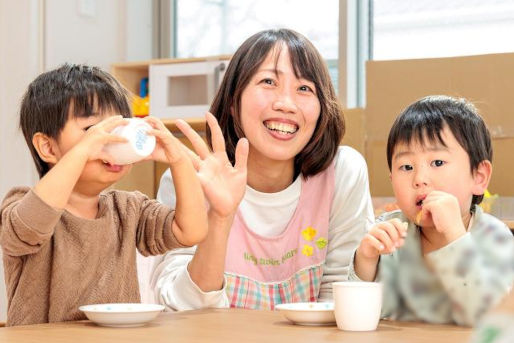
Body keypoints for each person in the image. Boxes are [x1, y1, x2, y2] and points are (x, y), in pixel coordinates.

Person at [147, 28, 374, 310]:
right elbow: (178, 310)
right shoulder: (190, 181)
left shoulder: (342, 173)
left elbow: (343, 297)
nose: (286, 104)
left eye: (304, 88)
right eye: (268, 81)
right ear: (233, 101)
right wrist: (220, 217)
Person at [0, 64, 209, 326]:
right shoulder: (22, 204)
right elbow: (29, 226)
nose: (110, 140)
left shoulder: (129, 209)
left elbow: (192, 231)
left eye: (118, 128)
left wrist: (178, 160)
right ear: (47, 147)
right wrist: (85, 150)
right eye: (92, 130)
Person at [350, 95, 514, 326]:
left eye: (437, 163)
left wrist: (454, 234)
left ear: (479, 177)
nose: (419, 179)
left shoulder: (495, 237)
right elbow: (358, 316)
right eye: (406, 167)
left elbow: (490, 319)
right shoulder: (388, 233)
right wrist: (365, 260)